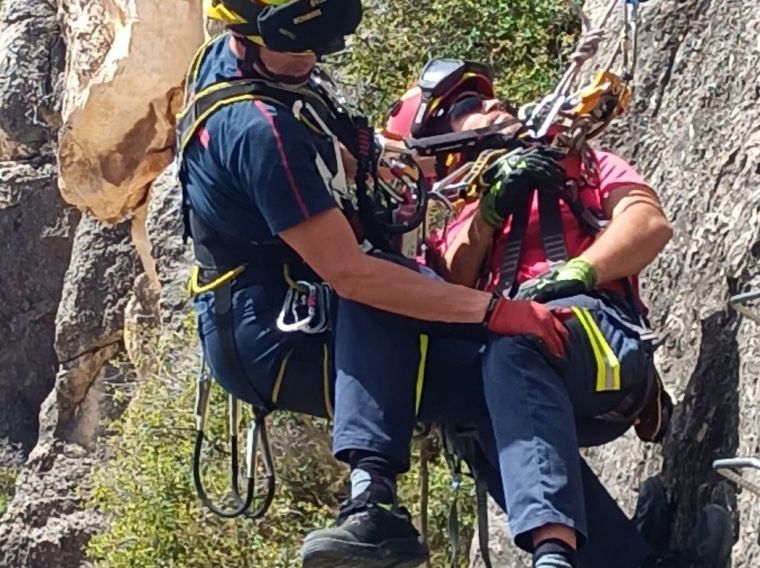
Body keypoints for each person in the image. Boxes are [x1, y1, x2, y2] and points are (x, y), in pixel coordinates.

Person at [177, 3, 570, 566]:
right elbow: (352, 274)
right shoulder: (258, 131)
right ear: (248, 34)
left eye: (320, 46)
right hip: (272, 332)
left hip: (285, 304)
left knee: (496, 374)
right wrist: (493, 311)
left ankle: (610, 552)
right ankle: (372, 506)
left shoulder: (237, 64)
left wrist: (372, 155)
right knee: (490, 356)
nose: (310, 59)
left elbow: (310, 126)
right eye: (299, 48)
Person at [302, 59, 675, 568]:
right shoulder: (452, 233)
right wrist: (488, 213)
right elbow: (445, 289)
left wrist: (579, 273)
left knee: (516, 347)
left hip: (602, 345)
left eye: (487, 99)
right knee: (475, 399)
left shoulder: (581, 165)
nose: (493, 105)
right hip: (528, 372)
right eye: (467, 107)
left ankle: (553, 558)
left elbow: (647, 222)